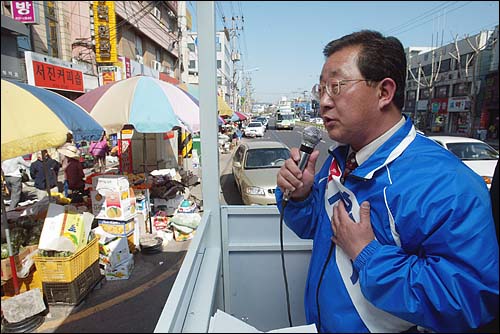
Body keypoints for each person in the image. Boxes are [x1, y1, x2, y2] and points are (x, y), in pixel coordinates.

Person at [276, 30, 498, 333]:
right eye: (321, 88)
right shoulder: (339, 160)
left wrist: (369, 255)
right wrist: (301, 197)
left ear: (384, 92)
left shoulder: (447, 184)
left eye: (336, 86)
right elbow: (313, 228)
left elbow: (469, 299)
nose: (323, 102)